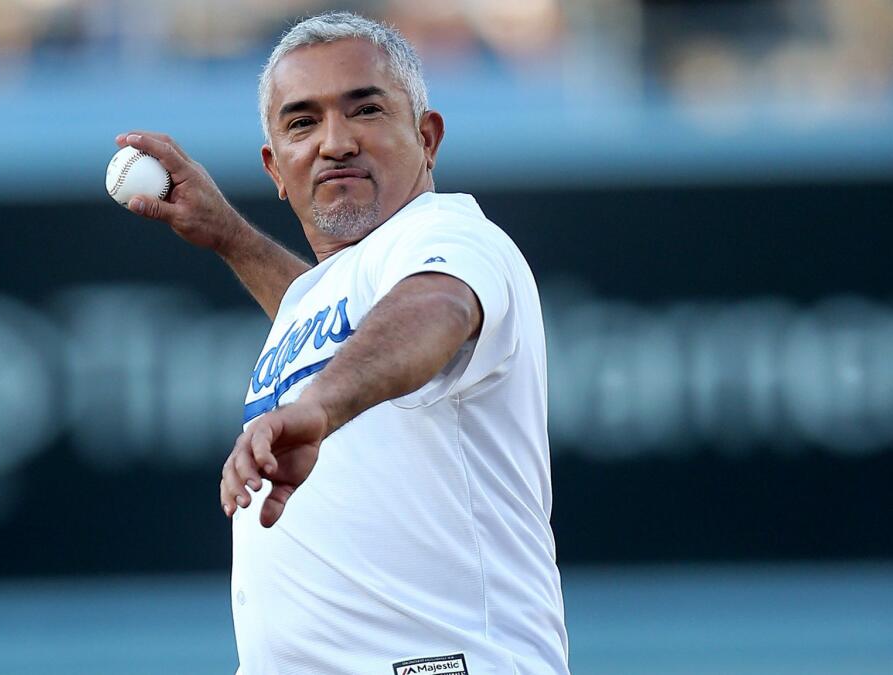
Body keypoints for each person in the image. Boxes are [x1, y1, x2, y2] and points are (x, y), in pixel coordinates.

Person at [114, 11, 569, 675]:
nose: (335, 142)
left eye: (364, 111)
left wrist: (320, 406)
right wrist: (229, 236)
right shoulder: (332, 293)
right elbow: (334, 318)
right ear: (275, 166)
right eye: (303, 122)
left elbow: (431, 310)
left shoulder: (451, 234)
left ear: (427, 136)